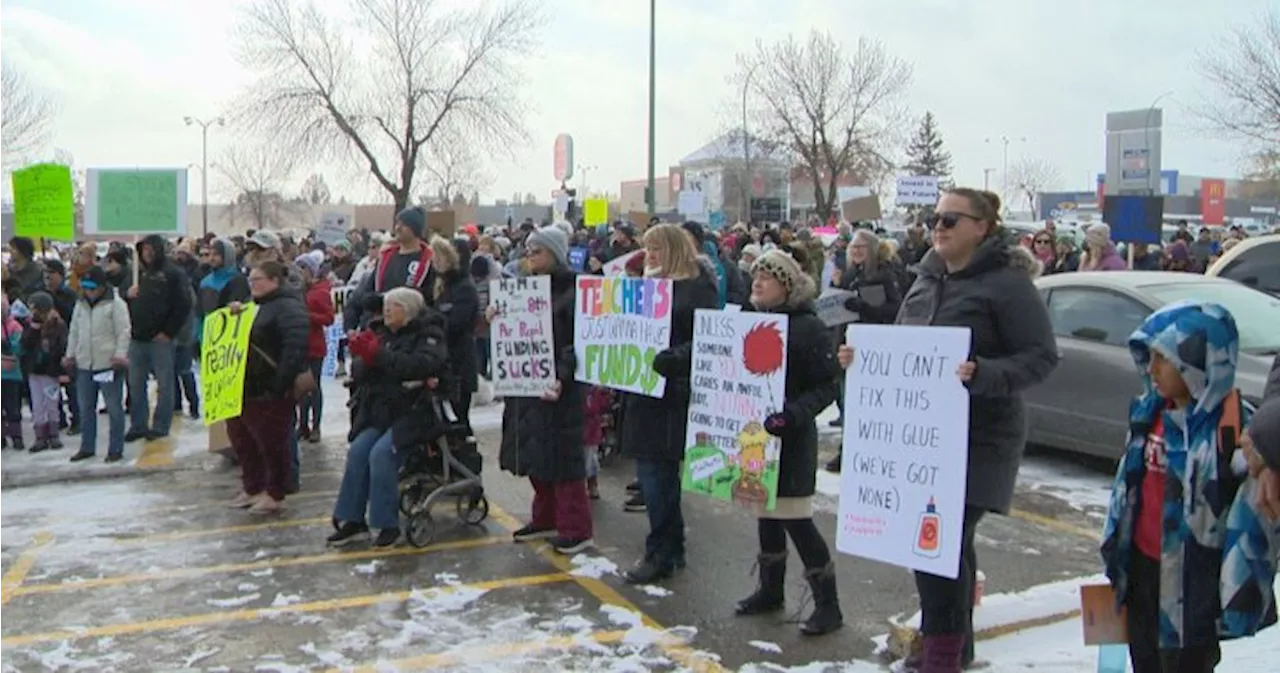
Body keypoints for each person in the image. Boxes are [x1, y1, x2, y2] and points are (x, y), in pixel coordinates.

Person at [838, 189, 1058, 671]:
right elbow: (902, 345)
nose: (938, 226)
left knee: (937, 542)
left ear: (983, 226)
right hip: (924, 437)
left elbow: (1041, 357)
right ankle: (952, 647)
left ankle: (941, 654)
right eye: (933, 217)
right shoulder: (924, 280)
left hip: (980, 438)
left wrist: (984, 373)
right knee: (940, 546)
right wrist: (862, 358)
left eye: (951, 219)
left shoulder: (1008, 285)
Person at [1103, 301, 1278, 672]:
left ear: (1200, 364)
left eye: (1164, 359)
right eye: (1149, 357)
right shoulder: (1148, 413)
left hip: (1194, 585)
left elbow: (1254, 521)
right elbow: (1126, 489)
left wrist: (1241, 596)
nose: (1152, 369)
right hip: (1141, 570)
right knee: (1145, 661)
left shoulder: (1233, 431)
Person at [706, 248, 843, 636]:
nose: (758, 283)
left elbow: (827, 385)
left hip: (792, 441)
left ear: (785, 285)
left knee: (796, 520)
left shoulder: (807, 327)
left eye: (767, 278)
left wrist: (793, 414)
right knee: (764, 512)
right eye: (756, 277)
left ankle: (828, 605)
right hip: (755, 439)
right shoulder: (747, 320)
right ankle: (770, 590)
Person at [620, 224, 720, 583]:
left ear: (676, 250)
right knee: (655, 478)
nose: (650, 255)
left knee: (656, 477)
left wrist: (674, 358)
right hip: (644, 389)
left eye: (658, 249)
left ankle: (659, 551)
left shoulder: (696, 289)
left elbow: (707, 340)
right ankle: (670, 547)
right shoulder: (649, 286)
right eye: (647, 248)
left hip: (672, 392)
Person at [498, 226, 594, 555]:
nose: (530, 256)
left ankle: (576, 528)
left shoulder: (575, 290)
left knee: (564, 460)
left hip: (560, 387)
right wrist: (497, 317)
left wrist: (563, 377)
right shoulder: (523, 289)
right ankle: (545, 517)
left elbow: (578, 341)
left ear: (554, 253)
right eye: (527, 250)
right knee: (534, 454)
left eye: (537, 250)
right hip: (527, 383)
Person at [329, 287, 449, 548]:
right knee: (359, 451)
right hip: (382, 410)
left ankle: (387, 524)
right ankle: (352, 519)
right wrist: (367, 358)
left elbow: (420, 365)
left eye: (393, 305)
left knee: (382, 454)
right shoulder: (380, 333)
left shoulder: (428, 335)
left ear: (407, 310)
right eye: (385, 304)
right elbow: (361, 369)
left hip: (416, 411)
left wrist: (378, 357)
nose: (386, 310)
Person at [226, 261, 310, 514]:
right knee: (243, 440)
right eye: (250, 280)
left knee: (272, 443)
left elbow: (294, 348)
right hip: (245, 386)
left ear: (274, 280)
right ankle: (253, 487)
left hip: (270, 388)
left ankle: (275, 492)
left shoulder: (289, 307)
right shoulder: (253, 307)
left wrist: (279, 384)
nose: (252, 285)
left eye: (257, 280)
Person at [826, 229, 903, 471]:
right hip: (846, 341)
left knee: (864, 405)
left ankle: (857, 452)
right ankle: (847, 450)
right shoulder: (850, 273)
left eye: (861, 247)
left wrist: (863, 306)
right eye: (853, 248)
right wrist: (834, 287)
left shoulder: (884, 275)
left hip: (872, 346)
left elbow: (894, 310)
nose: (856, 252)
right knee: (847, 400)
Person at [125, 235, 193, 442]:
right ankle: (138, 424)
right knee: (135, 384)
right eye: (143, 249)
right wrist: (129, 296)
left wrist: (169, 332)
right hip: (137, 337)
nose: (147, 253)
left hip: (160, 339)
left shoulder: (172, 273)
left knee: (165, 383)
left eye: (150, 249)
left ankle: (161, 425)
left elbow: (183, 304)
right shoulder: (138, 273)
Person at [65, 267, 131, 462]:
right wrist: (70, 355)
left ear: (102, 287)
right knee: (86, 408)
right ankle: (87, 446)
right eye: (85, 288)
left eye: (92, 288)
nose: (89, 292)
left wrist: (120, 355)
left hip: (108, 364)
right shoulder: (80, 304)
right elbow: (74, 331)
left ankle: (115, 448)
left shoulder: (116, 304)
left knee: (113, 408)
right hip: (85, 364)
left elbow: (124, 332)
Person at [344, 208, 437, 331]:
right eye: (397, 223)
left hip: (411, 330)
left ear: (415, 229)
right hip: (380, 325)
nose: (397, 228)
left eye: (403, 225)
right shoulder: (386, 257)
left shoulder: (428, 261)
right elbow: (365, 293)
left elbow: (430, 298)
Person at [432, 237, 479, 428]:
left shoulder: (465, 288)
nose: (436, 260)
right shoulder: (439, 286)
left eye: (441, 256)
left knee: (458, 420)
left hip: (459, 364)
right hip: (443, 362)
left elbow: (456, 324)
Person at [21, 292, 68, 452]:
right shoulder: (30, 325)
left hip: (50, 371)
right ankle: (40, 436)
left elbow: (61, 347)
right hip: (34, 371)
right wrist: (33, 329)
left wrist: (62, 370)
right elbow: (25, 345)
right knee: (37, 404)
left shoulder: (57, 325)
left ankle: (54, 434)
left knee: (51, 403)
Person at [296, 252, 335, 443]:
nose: (300, 272)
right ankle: (302, 425)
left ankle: (316, 426)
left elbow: (329, 318)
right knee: (300, 388)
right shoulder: (296, 291)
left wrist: (308, 316)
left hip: (315, 346)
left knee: (314, 387)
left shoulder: (321, 291)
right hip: (298, 345)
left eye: (303, 268)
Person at [43, 260, 80, 434]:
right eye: (46, 274)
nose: (48, 277)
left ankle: (77, 420)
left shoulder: (70, 295)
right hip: (49, 347)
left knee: (71, 386)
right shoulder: (43, 295)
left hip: (67, 345)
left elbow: (74, 317)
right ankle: (59, 418)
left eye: (51, 273)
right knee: (52, 385)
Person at [7, 237, 44, 302]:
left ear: (23, 251)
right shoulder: (9, 270)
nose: (10, 250)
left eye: (14, 248)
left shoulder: (37, 271)